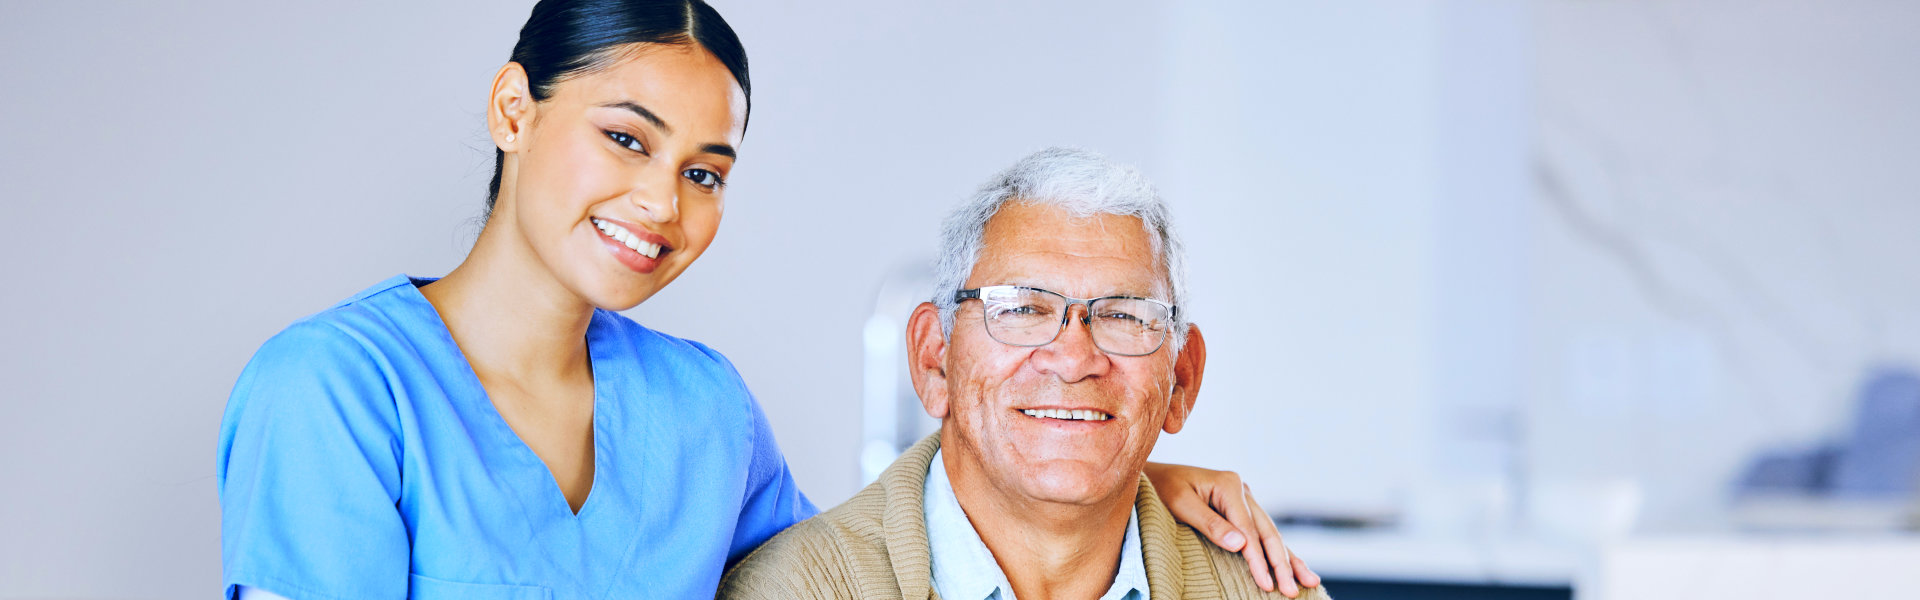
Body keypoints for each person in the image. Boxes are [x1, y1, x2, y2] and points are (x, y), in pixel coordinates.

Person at [216, 2, 1316, 599]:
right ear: (515, 109)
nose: (660, 201)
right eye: (625, 138)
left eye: (704, 170)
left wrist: (1107, 464)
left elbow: (876, 561)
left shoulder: (700, 408)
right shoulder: (334, 392)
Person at [719, 148, 1331, 600]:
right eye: (1022, 309)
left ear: (1181, 380)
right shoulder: (798, 589)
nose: (1073, 359)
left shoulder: (1268, 592)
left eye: (1123, 315)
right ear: (934, 359)